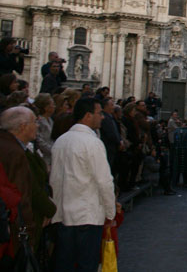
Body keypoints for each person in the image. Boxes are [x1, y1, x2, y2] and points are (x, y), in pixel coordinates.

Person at [50, 97, 115, 272]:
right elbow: (104, 181)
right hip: (88, 215)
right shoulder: (92, 143)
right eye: (99, 113)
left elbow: (54, 180)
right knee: (87, 264)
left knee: (64, 265)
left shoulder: (61, 141)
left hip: (64, 215)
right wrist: (110, 212)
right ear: (88, 115)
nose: (102, 117)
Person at [0, 107, 37, 258]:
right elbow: (21, 195)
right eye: (34, 122)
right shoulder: (15, 153)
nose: (37, 126)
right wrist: (29, 229)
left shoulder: (6, 145)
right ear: (23, 126)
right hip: (13, 226)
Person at [100, 98, 123, 176]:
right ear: (106, 106)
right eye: (111, 105)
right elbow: (110, 133)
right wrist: (118, 142)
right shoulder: (105, 118)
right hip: (108, 147)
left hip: (113, 147)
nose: (113, 107)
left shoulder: (110, 117)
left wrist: (120, 140)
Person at [33, 93, 55, 168]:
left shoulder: (50, 120)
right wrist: (52, 150)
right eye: (52, 104)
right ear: (46, 107)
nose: (54, 106)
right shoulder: (39, 121)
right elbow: (40, 141)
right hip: (44, 156)